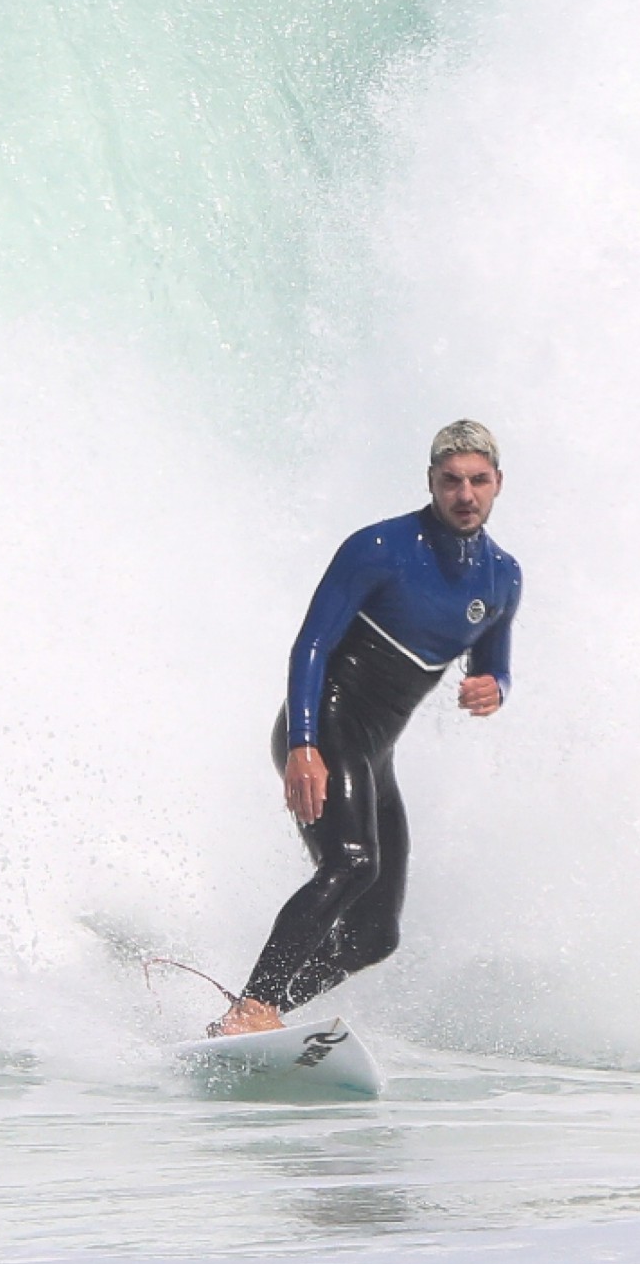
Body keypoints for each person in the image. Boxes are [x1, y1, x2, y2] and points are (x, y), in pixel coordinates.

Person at [212, 419, 522, 1036]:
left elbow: (495, 665)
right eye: (451, 481)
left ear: (498, 484)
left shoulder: (502, 576)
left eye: (478, 481)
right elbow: (310, 647)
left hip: (375, 753)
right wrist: (303, 746)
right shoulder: (379, 549)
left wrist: (495, 688)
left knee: (373, 937)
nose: (465, 495)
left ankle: (258, 1011)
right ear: (431, 483)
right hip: (325, 725)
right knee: (351, 862)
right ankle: (251, 1008)